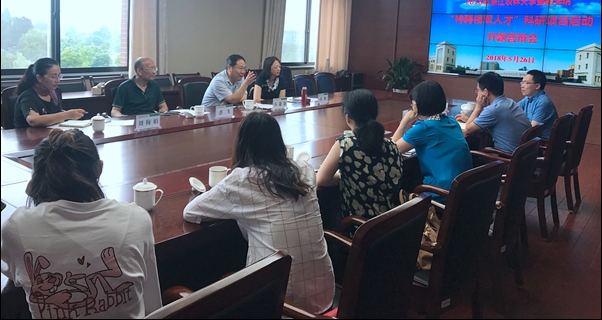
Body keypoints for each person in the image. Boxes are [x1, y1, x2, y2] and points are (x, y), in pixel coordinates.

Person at [183, 111, 334, 314]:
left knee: (224, 280)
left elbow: (191, 212)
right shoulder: (304, 170)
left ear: (243, 145)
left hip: (278, 306)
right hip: (323, 294)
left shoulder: (242, 180)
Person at [1, 128, 162, 319]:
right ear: (99, 169)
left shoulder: (16, 228)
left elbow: (16, 273)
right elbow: (152, 304)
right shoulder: (137, 218)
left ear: (37, 177)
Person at [317, 89, 403, 221]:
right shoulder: (392, 146)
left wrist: (345, 176)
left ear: (348, 118)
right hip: (391, 224)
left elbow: (321, 179)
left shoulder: (345, 144)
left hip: (360, 227)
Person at [392, 80, 472, 203]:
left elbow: (393, 149)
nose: (411, 107)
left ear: (418, 106)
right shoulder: (452, 122)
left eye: (412, 104)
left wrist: (404, 122)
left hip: (440, 193)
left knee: (402, 183)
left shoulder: (424, 129)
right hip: (463, 190)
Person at [455, 71, 531, 153]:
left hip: (506, 157)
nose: (477, 93)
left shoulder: (494, 109)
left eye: (478, 90)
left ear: (486, 92)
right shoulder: (509, 102)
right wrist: (468, 120)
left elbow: (467, 131)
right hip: (524, 155)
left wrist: (479, 106)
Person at [13, 58, 86, 128]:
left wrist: (72, 114)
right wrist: (66, 115)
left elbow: (56, 114)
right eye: (53, 77)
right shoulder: (28, 96)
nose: (58, 80)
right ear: (39, 78)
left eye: (59, 76)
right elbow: (33, 120)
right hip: (27, 135)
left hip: (51, 133)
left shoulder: (54, 93)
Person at [518, 69, 558, 138]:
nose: (522, 86)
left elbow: (532, 130)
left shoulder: (543, 102)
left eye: (526, 83)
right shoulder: (528, 98)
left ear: (537, 86)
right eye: (522, 82)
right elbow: (513, 110)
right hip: (532, 139)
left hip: (541, 141)